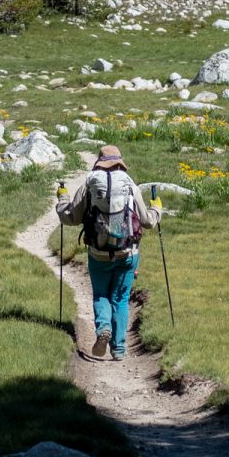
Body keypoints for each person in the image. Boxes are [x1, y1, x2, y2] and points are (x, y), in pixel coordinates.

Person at [56, 144, 160, 361]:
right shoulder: (129, 183)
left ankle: (103, 327)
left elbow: (71, 218)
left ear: (99, 162)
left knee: (101, 294)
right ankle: (119, 349)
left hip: (99, 253)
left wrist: (62, 198)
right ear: (120, 162)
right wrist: (157, 207)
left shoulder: (91, 182)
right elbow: (148, 222)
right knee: (120, 299)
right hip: (128, 253)